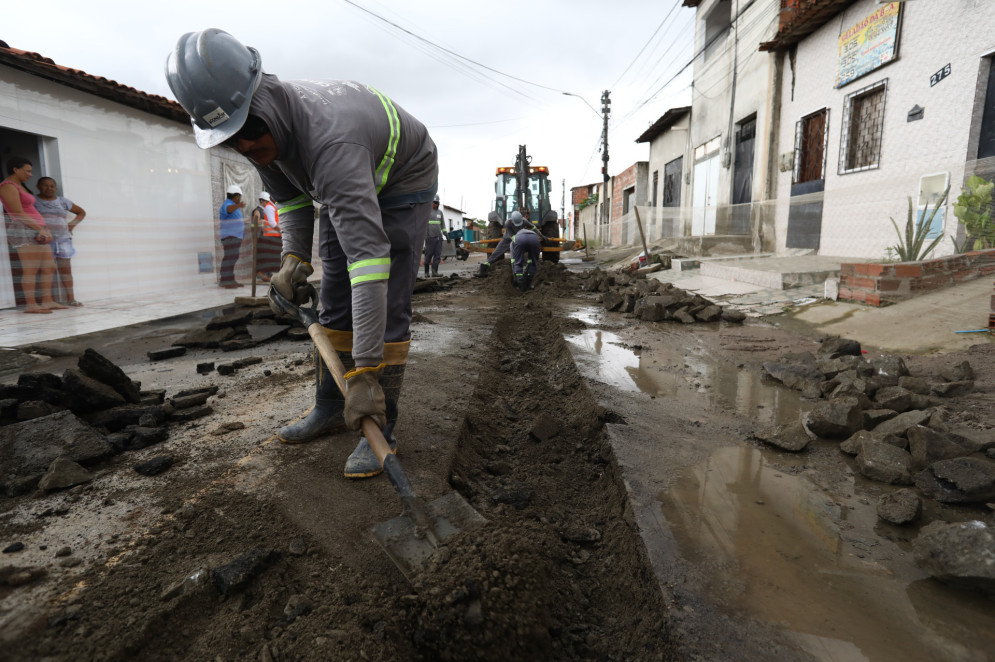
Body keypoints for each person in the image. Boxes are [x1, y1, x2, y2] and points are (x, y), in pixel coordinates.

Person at [167, 29, 438, 479]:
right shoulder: (262, 132)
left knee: (383, 295)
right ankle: (329, 406)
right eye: (232, 138)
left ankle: (381, 423)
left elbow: (369, 264)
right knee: (333, 287)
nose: (247, 146)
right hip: (341, 176)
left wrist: (367, 370)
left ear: (263, 99)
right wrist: (293, 261)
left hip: (402, 180)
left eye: (250, 130)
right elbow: (292, 201)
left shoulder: (332, 142)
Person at [0, 157, 65, 313]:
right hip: (23, 228)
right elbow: (18, 213)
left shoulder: (21, 186)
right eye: (27, 171)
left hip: (36, 228)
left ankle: (47, 301)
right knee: (31, 268)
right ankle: (31, 304)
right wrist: (40, 229)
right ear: (15, 169)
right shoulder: (7, 186)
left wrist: (44, 228)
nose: (30, 174)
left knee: (48, 267)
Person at [34, 176, 86, 306]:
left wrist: (72, 225)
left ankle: (71, 299)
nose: (49, 188)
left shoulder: (63, 201)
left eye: (52, 186)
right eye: (45, 185)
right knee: (46, 270)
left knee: (65, 270)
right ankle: (48, 300)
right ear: (38, 187)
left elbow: (81, 212)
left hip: (63, 240)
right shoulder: (33, 200)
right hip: (44, 241)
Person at [218, 184, 246, 288]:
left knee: (233, 258)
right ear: (236, 196)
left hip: (235, 236)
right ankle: (225, 281)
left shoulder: (233, 206)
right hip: (230, 237)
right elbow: (228, 209)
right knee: (229, 258)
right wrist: (239, 205)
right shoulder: (227, 204)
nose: (240, 200)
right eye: (239, 197)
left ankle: (230, 280)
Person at [256, 191, 281, 281]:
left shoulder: (272, 206)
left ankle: (269, 274)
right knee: (269, 256)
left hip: (273, 235)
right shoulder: (269, 207)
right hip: (270, 236)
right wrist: (281, 230)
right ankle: (264, 273)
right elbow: (272, 222)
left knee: (272, 256)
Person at [423, 194, 443, 277]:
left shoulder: (440, 212)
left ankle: (435, 272)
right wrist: (425, 235)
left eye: (436, 202)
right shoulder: (427, 212)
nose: (434, 204)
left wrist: (446, 234)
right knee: (428, 255)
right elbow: (424, 225)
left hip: (439, 238)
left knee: (437, 256)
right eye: (433, 202)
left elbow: (443, 225)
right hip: (430, 238)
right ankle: (426, 272)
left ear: (438, 203)